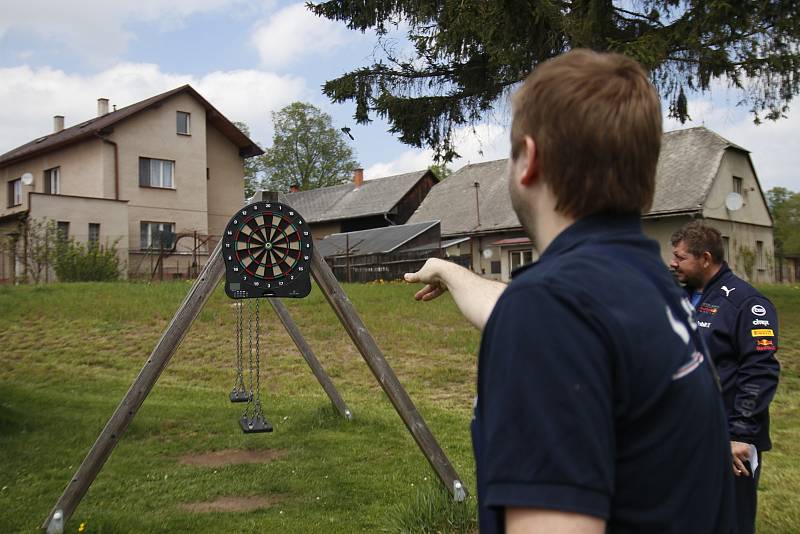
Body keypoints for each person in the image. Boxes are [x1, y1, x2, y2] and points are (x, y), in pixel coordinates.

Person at [405, 49, 736, 533]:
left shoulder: (553, 311)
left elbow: (543, 320)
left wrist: (527, 312)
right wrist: (451, 272)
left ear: (530, 160)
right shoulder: (644, 284)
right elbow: (533, 317)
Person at [671, 221, 780, 534]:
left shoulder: (747, 304)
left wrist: (741, 434)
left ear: (705, 259)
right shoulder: (681, 298)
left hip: (730, 439)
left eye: (680, 258)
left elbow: (760, 370)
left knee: (730, 520)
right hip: (687, 434)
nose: (673, 263)